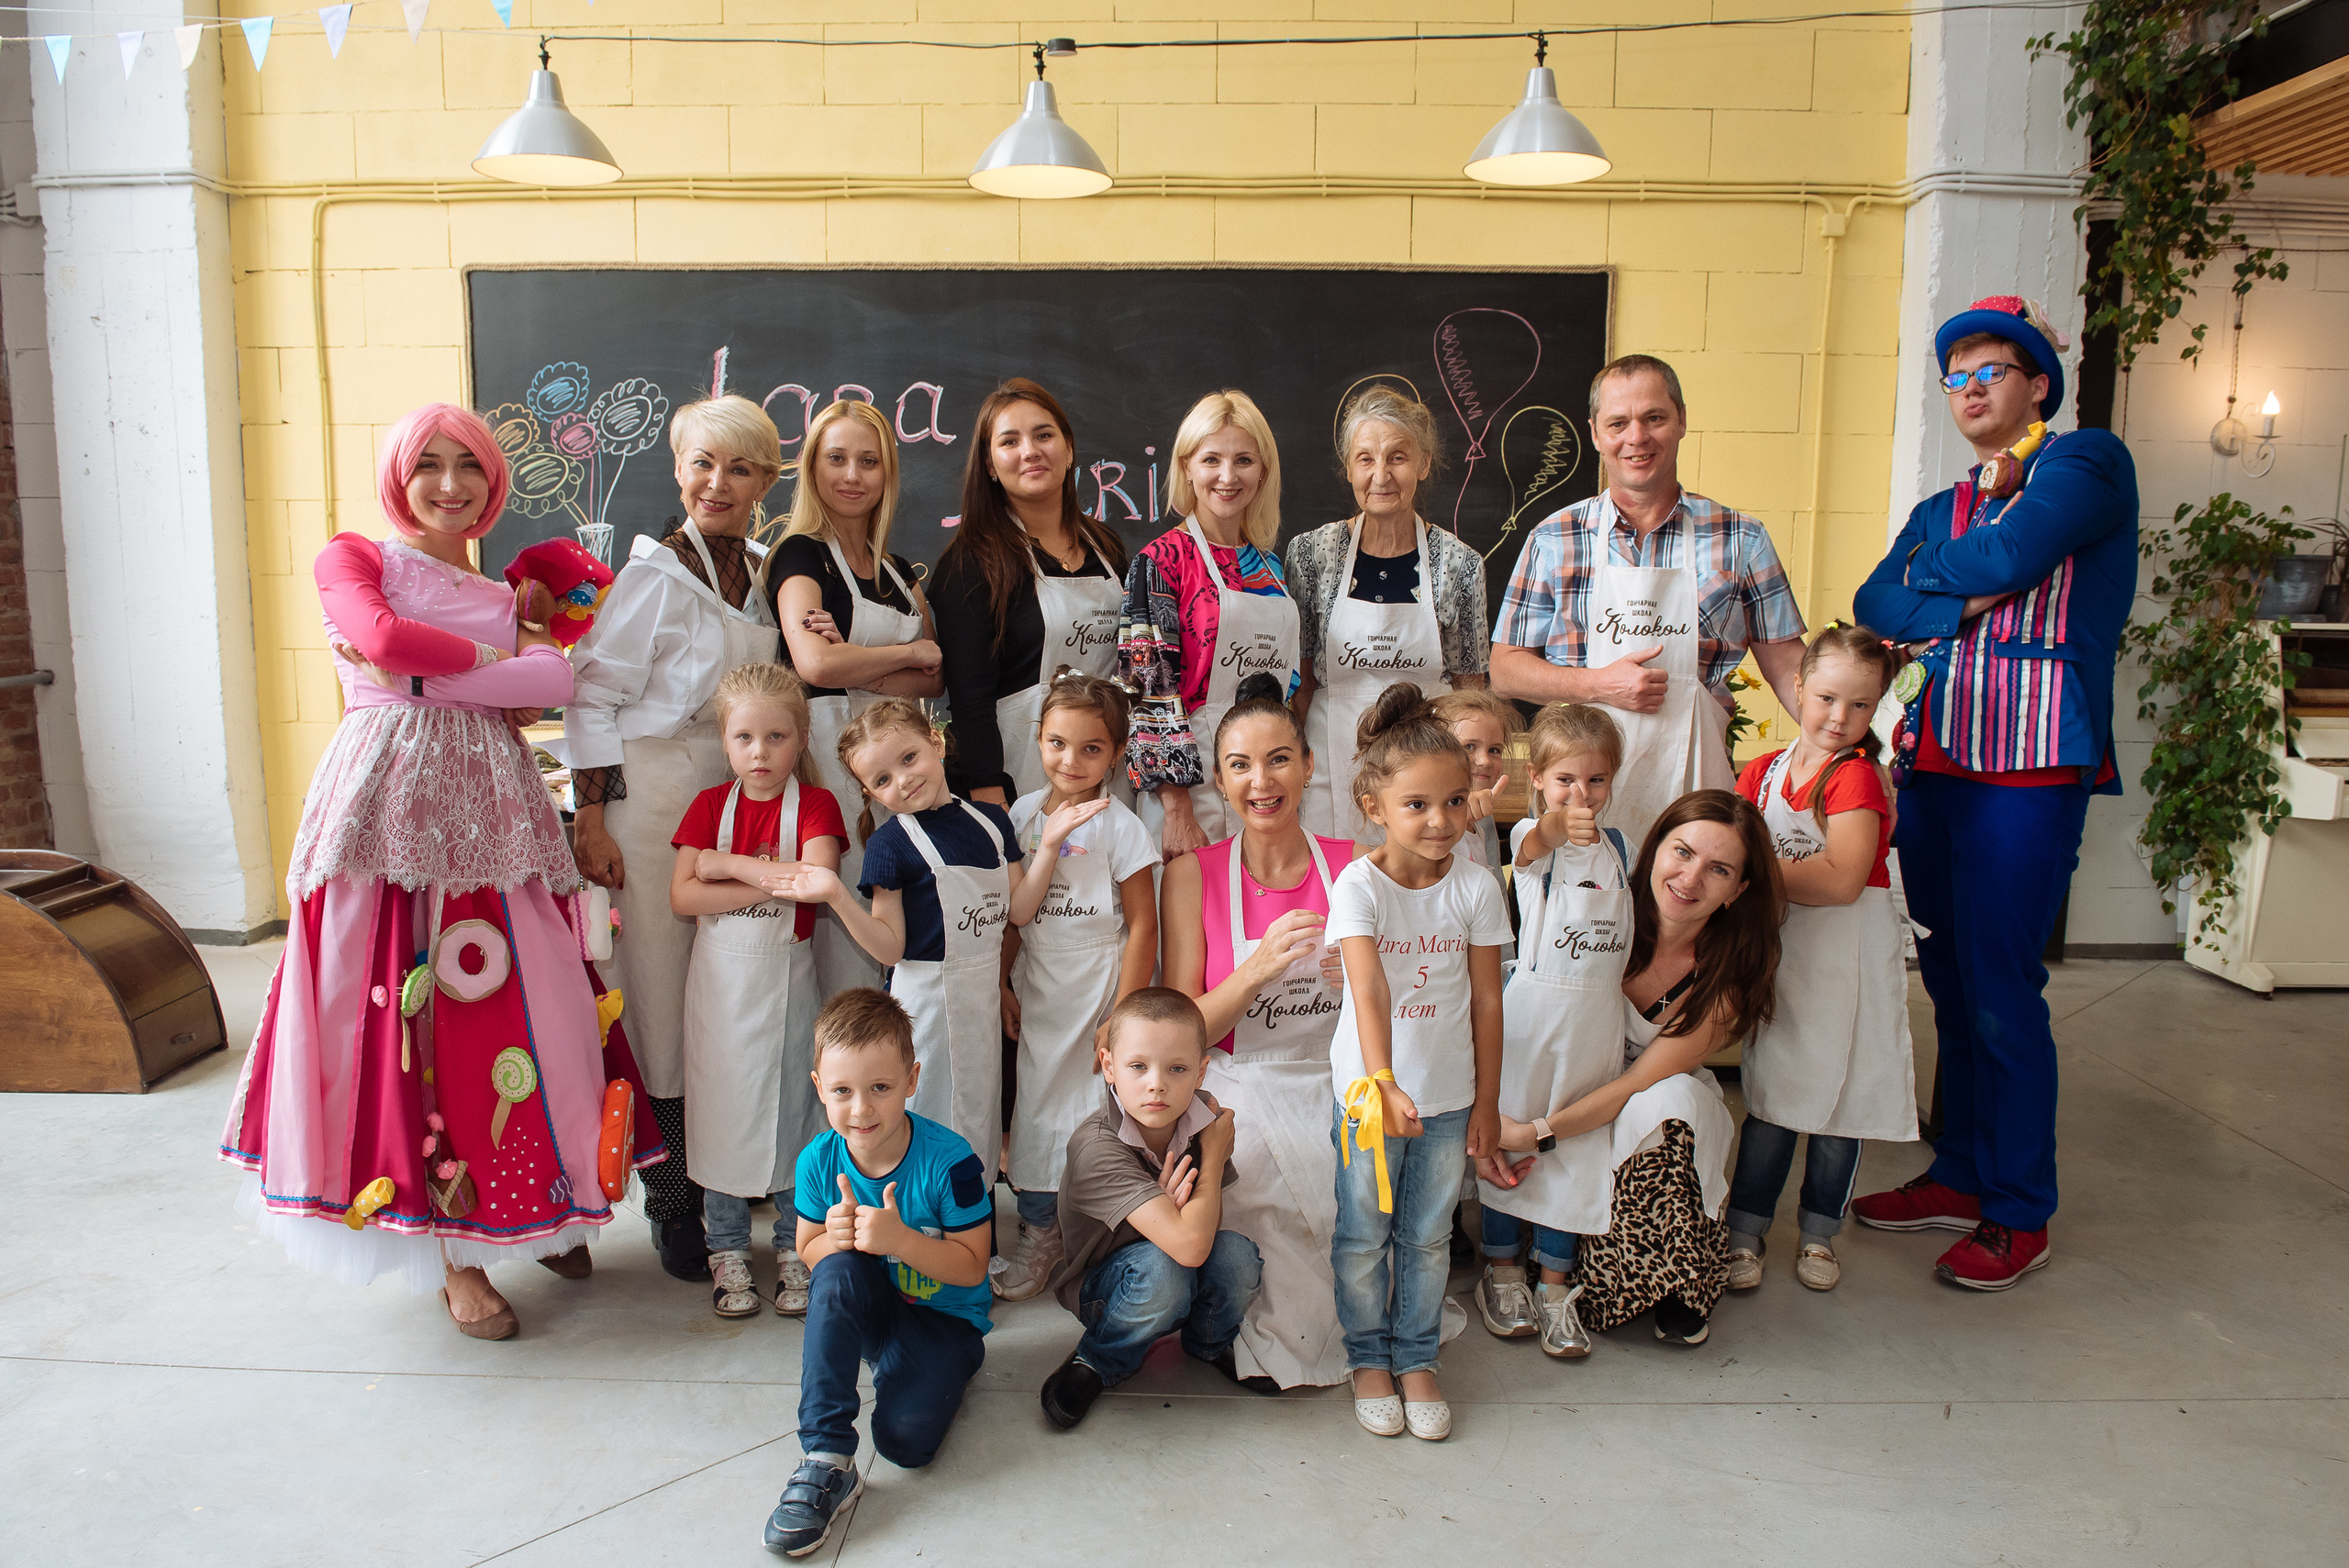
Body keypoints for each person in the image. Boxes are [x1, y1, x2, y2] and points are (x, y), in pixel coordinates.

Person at [220, 403, 660, 1339]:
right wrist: (489, 665)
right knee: (408, 1020)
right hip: (387, 815)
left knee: (528, 1004)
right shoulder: (353, 559)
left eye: (470, 465)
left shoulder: (515, 589)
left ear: (493, 481)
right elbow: (380, 641)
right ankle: (448, 1254)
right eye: (429, 464)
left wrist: (428, 673)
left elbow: (552, 685)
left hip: (497, 811)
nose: (450, 483)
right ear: (397, 474)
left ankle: (535, 1200)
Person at [1850, 295, 2138, 1291]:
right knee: (1950, 983)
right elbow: (1872, 601)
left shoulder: (2085, 461)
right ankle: (1962, 1171)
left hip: (2031, 766)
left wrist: (1939, 584)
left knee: (2004, 987)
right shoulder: (1943, 506)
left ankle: (2020, 1207)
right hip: (1936, 765)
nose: (1969, 388)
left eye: (1989, 371)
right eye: (1956, 375)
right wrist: (1948, 580)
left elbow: (2012, 556)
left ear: (2035, 383)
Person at [563, 394, 785, 1281]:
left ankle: (734, 1169)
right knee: (655, 994)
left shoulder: (768, 571)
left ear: (767, 481)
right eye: (700, 463)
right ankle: (674, 1199)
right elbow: (591, 695)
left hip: (739, 792)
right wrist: (590, 816)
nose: (716, 484)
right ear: (678, 469)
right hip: (651, 797)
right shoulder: (653, 577)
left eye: (738, 468)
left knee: (731, 985)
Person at [1483, 791, 1783, 1349]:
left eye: (1717, 869)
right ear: (1652, 850)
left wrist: (1533, 1134)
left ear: (1738, 890)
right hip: (1561, 1080)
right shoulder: (1595, 911)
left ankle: (1672, 1279)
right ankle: (1511, 1258)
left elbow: (1632, 1084)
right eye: (1682, 852)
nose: (1690, 879)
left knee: (1663, 1102)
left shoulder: (1724, 975)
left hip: (1636, 1103)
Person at [1488, 354, 1808, 851]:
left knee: (1690, 919)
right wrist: (1599, 685)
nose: (1636, 437)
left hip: (1696, 780)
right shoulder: (1554, 537)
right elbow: (1506, 671)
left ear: (1681, 420)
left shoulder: (1740, 538)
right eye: (1618, 423)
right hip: (1577, 792)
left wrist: (1846, 752)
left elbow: (1789, 667)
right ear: (1596, 433)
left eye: (1654, 418)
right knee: (1584, 926)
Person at [1159, 671, 1357, 1391]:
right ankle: (1254, 1331)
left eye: (1279, 758)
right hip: (1232, 1078)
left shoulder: (1354, 867)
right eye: (1240, 764)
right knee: (1258, 1175)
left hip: (1334, 1072)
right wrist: (1256, 970)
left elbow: (1397, 1007)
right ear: (1217, 778)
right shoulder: (1191, 876)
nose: (1261, 779)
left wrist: (1361, 984)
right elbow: (1180, 1035)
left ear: (1308, 764)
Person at [1328, 684, 1511, 1441]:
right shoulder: (1358, 884)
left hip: (1449, 1100)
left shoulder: (1473, 886)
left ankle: (1417, 1356)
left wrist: (1489, 1103)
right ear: (1374, 805)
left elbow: (1489, 1003)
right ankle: (1367, 1355)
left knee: (1429, 1237)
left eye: (1456, 801)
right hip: (1371, 1099)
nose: (1442, 821)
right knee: (1365, 1232)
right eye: (1418, 805)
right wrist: (1382, 1082)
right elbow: (1367, 986)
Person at [766, 989, 992, 1559]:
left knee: (907, 1445)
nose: (861, 1110)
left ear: (912, 1079)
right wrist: (833, 1241)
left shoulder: (954, 1161)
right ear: (819, 1087)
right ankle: (826, 1457)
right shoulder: (817, 1159)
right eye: (842, 1091)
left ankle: (917, 1369)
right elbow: (807, 1251)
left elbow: (972, 1269)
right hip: (871, 1313)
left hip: (945, 1324)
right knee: (836, 1270)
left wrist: (901, 1241)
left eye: (880, 1088)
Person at [1726, 625, 1919, 1294]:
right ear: (1799, 686)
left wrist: (1751, 870)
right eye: (1828, 697)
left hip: (1847, 961)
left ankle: (1818, 1231)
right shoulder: (1762, 772)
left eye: (1860, 706)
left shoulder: (1855, 777)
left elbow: (1841, 879)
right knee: (1774, 1097)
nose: (1840, 718)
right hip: (1784, 957)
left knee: (1841, 1105)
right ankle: (1745, 1229)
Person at [774, 697, 1021, 1190]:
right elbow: (889, 949)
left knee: (978, 1118)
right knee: (927, 1123)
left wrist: (1051, 845)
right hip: (924, 1009)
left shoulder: (992, 821)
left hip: (980, 1006)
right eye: (882, 780)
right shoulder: (891, 845)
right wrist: (838, 896)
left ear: (937, 742)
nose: (903, 781)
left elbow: (1018, 913)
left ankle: (974, 1240)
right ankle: (917, 1240)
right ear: (871, 793)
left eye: (908, 759)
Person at [668, 662, 847, 1320]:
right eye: (745, 738)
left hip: (788, 985)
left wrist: (727, 867)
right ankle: (729, 1247)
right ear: (725, 741)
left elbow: (816, 878)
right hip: (719, 991)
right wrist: (763, 872)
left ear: (801, 739)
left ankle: (794, 1244)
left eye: (776, 737)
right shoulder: (709, 807)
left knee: (796, 1114)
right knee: (721, 1113)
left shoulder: (818, 807)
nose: (760, 752)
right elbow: (684, 893)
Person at [767, 399, 945, 1004]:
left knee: (901, 924)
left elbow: (936, 676)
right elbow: (815, 664)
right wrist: (903, 651)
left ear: (887, 474)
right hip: (832, 766)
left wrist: (858, 659)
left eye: (868, 461)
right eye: (836, 458)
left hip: (903, 774)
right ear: (811, 467)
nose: (852, 475)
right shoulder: (799, 555)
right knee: (848, 937)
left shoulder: (898, 570)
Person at [995, 673, 1161, 1301]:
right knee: (1036, 1111)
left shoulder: (1122, 827)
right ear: (1038, 739)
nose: (1071, 760)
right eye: (1057, 743)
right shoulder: (1020, 814)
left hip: (1099, 984)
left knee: (1095, 1117)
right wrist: (1005, 984)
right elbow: (1015, 910)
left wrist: (1124, 1017)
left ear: (1117, 754)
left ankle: (1091, 1238)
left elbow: (1142, 923)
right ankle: (1039, 1231)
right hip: (1040, 984)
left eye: (1091, 748)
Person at [1475, 701, 1631, 1359]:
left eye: (1595, 781)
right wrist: (1555, 822)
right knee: (1509, 1144)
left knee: (1576, 1150)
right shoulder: (1529, 842)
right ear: (1536, 777)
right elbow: (1539, 840)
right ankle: (1503, 1267)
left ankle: (1557, 1284)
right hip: (1533, 1019)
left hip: (1595, 1020)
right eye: (1566, 779)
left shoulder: (1620, 846)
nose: (1582, 794)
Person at [1038, 989, 1263, 1430]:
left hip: (1171, 1257)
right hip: (1106, 1288)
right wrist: (1212, 1156)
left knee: (1238, 1255)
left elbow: (1202, 1227)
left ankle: (1208, 1342)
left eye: (1177, 1068)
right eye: (1137, 1066)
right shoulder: (1097, 1147)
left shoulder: (1199, 1119)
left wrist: (1183, 1221)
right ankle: (1099, 1358)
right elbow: (1192, 1246)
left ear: (1201, 1071)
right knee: (1167, 1266)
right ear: (1109, 1067)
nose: (1156, 1084)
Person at [1288, 385, 1491, 841]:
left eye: (1397, 457)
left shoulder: (1459, 564)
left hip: (1431, 777)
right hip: (1331, 768)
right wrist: (1294, 767)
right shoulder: (1311, 555)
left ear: (1423, 463)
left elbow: (1471, 692)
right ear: (1348, 468)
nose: (1380, 475)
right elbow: (1300, 682)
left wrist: (1470, 780)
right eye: (1365, 459)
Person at [930, 378, 1129, 807]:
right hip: (1018, 783)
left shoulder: (1108, 549)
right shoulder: (968, 564)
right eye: (1010, 441)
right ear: (988, 464)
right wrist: (990, 795)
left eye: (1044, 435)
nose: (1030, 451)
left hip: (1114, 780)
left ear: (1069, 448)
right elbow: (969, 698)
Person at [1120, 390, 1299, 859]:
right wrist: (1178, 810)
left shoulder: (1272, 567)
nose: (1227, 476)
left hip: (1264, 781)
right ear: (1186, 468)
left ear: (1262, 472)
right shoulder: (1159, 561)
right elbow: (1147, 690)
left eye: (1243, 460)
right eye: (1211, 459)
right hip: (1190, 780)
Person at [1432, 687, 1523, 870]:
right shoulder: (1428, 819)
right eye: (1470, 747)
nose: (1485, 761)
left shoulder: (1484, 815)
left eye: (1494, 750)